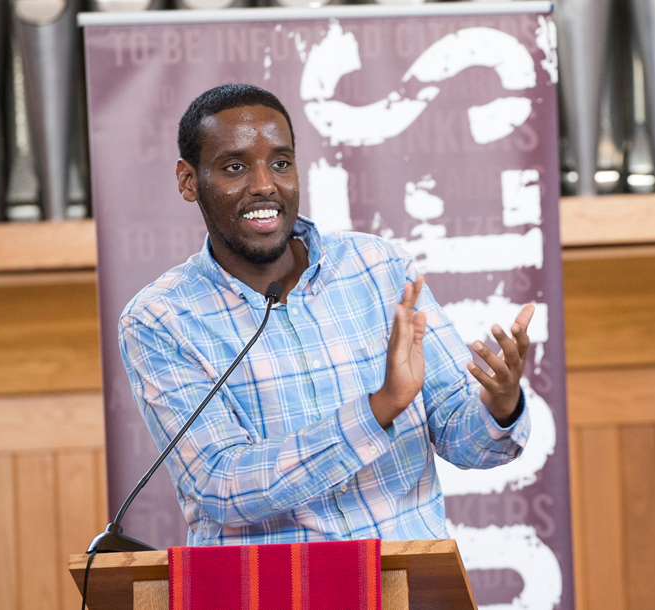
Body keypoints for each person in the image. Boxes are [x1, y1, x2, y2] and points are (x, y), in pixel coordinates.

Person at [119, 84, 535, 546]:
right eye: (235, 167)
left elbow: (466, 441)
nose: (263, 184)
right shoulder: (159, 319)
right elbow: (221, 484)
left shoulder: (378, 268)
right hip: (271, 593)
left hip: (403, 586)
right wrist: (377, 411)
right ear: (189, 181)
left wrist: (499, 405)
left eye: (281, 163)